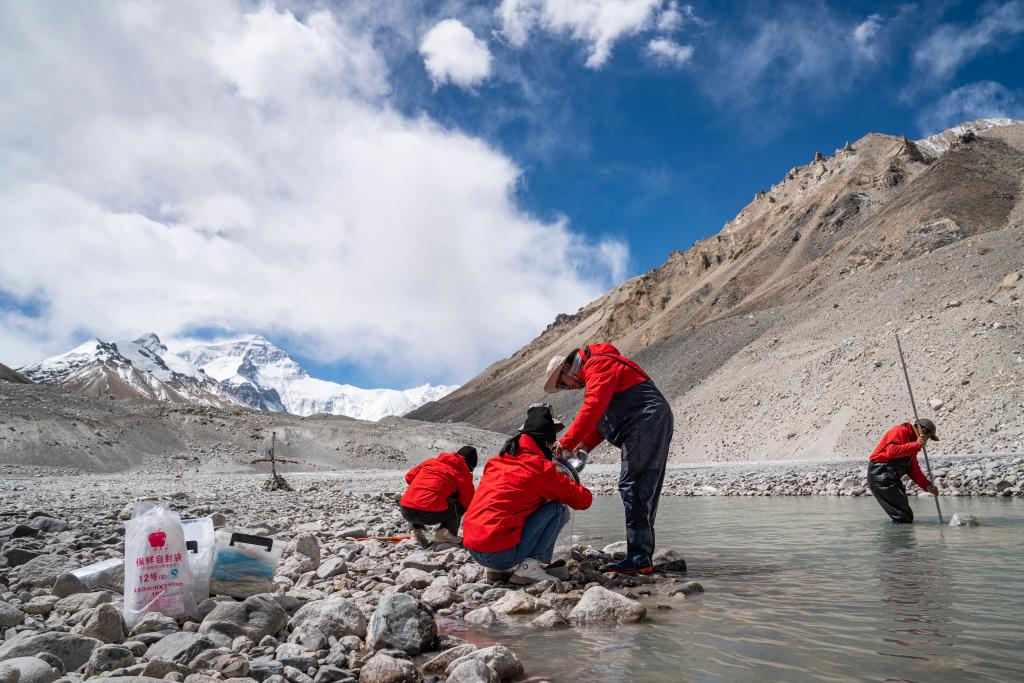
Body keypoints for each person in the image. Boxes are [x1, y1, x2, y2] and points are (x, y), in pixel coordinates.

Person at [544, 344, 673, 574]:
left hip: (645, 421)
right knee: (642, 488)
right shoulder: (601, 369)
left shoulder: (598, 365)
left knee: (633, 486)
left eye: (564, 383)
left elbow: (592, 408)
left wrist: (566, 443)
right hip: (649, 420)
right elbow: (603, 422)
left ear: (567, 367)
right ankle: (641, 554)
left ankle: (640, 558)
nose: (569, 388)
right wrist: (583, 446)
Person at [462, 404, 593, 584]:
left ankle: (495, 571)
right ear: (546, 443)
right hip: (500, 555)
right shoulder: (540, 468)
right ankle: (528, 569)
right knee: (557, 509)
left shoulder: (496, 462)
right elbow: (584, 500)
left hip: (473, 548)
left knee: (515, 506)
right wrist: (563, 479)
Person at [400, 446, 477, 547]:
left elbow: (409, 477)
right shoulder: (462, 471)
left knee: (415, 495)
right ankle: (446, 533)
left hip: (406, 511)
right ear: (469, 465)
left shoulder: (431, 461)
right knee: (459, 502)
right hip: (429, 515)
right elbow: (469, 500)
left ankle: (416, 531)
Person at [868, 419, 940, 523]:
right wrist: (916, 444)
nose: (926, 441)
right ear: (923, 431)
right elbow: (891, 451)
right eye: (928, 437)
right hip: (879, 476)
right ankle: (898, 538)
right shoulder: (899, 431)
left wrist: (927, 486)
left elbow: (913, 469)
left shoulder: (912, 443)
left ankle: (897, 535)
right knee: (903, 515)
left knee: (903, 512)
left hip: (892, 479)